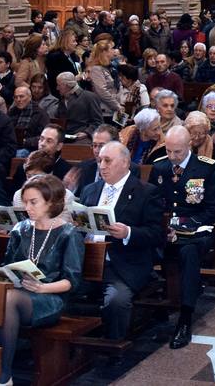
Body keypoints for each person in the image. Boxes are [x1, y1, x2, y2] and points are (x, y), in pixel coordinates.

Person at [0, 174, 83, 386]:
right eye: (25, 202)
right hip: (19, 292)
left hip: (50, 298)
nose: (27, 208)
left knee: (8, 300)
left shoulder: (69, 233)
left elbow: (71, 281)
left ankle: (4, 376)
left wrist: (42, 288)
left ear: (51, 202)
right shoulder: (20, 229)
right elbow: (8, 265)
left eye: (33, 202)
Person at [79, 141, 165, 340]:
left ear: (125, 162)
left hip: (123, 265)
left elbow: (156, 234)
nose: (102, 166)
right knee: (60, 289)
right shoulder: (90, 190)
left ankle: (113, 349)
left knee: (116, 301)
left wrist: (128, 233)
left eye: (108, 161)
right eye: (100, 160)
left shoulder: (146, 192)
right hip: (87, 261)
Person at [149, 125, 215, 349]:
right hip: (165, 230)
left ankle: (185, 317)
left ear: (189, 145)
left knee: (189, 252)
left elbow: (213, 208)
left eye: (177, 152)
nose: (172, 157)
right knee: (139, 243)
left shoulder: (205, 168)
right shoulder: (160, 167)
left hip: (195, 230)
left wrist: (187, 225)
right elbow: (151, 203)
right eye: (169, 151)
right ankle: (152, 305)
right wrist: (162, 225)